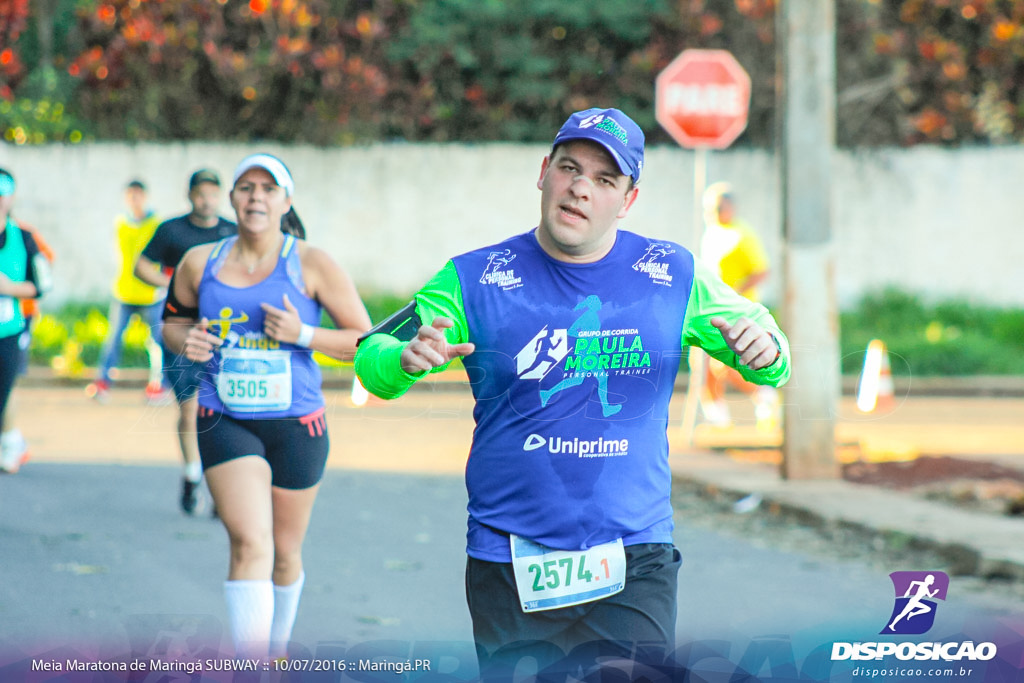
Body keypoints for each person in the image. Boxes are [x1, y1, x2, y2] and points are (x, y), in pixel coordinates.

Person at [354, 108, 791, 678]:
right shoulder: (476, 277)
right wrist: (404, 360)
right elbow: (371, 359)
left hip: (633, 556)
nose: (581, 188)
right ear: (544, 173)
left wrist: (767, 354)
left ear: (627, 199)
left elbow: (769, 351)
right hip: (509, 558)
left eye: (605, 180)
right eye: (570, 168)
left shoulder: (672, 273)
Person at [162, 154, 371, 659]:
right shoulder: (201, 263)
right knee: (250, 543)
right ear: (232, 199)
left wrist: (303, 333)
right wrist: (185, 339)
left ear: (286, 201)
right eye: (246, 187)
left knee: (284, 554)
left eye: (268, 188)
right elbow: (170, 324)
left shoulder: (312, 263)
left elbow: (366, 343)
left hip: (298, 425)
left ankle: (276, 649)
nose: (256, 196)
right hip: (224, 418)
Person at [134, 170, 237, 514]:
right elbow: (141, 266)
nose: (206, 200)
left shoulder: (231, 232)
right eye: (200, 194)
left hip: (220, 333)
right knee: (191, 409)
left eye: (212, 194)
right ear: (189, 195)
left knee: (222, 411)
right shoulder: (171, 230)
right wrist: (172, 285)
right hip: (180, 330)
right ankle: (193, 475)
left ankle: (220, 483)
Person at [699, 182, 779, 429]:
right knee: (702, 365)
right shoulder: (711, 233)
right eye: (709, 208)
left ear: (730, 207)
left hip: (736, 310)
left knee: (721, 364)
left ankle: (763, 394)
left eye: (718, 207)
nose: (712, 212)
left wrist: (733, 294)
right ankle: (717, 417)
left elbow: (761, 271)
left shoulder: (743, 235)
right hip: (710, 309)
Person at [86, 180, 166, 405]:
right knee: (114, 339)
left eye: (138, 195)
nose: (135, 199)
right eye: (130, 195)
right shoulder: (120, 223)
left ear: (145, 196)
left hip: (151, 294)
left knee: (157, 342)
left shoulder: (156, 224)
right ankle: (103, 382)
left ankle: (159, 385)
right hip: (124, 292)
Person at [0, 168, 53, 474]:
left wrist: (10, 289)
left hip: (10, 328)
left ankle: (10, 441)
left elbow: (43, 283)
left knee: (5, 387)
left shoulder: (25, 237)